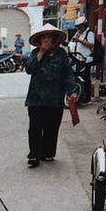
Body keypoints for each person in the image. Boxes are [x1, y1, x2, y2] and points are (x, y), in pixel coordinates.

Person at [25, 23, 79, 168]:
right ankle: (34, 155)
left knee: (52, 127)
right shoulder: (35, 53)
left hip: (55, 97)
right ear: (40, 40)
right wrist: (41, 53)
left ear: (55, 39)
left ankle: (47, 152)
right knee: (35, 127)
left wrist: (71, 90)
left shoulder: (61, 53)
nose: (47, 40)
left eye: (50, 37)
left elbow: (67, 73)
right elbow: (29, 69)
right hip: (35, 98)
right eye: (44, 38)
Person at [68, 15, 95, 104]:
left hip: (86, 60)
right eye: (78, 26)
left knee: (86, 78)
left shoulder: (89, 33)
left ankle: (87, 98)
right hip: (77, 59)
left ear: (84, 25)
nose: (79, 28)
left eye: (80, 26)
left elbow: (91, 44)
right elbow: (71, 43)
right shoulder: (78, 33)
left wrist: (79, 40)